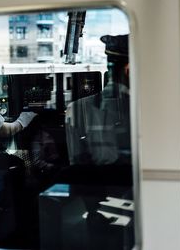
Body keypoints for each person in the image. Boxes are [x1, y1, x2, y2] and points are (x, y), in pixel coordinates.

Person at [62, 34, 133, 250]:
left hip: (96, 210)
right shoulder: (148, 110)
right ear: (129, 69)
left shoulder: (76, 110)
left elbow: (78, 168)